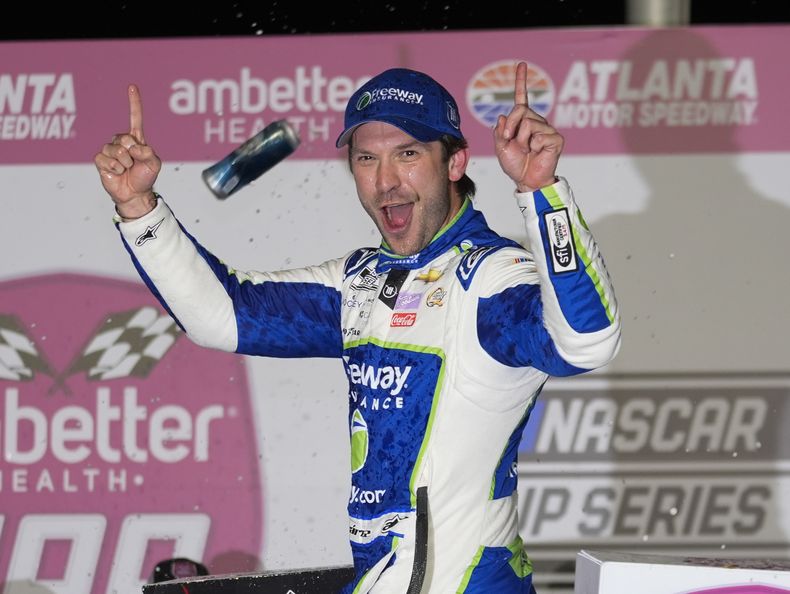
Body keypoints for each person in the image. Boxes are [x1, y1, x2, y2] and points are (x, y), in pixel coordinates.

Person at [94, 62, 621, 594]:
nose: (385, 181)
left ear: (455, 161)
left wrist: (542, 191)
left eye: (408, 154)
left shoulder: (488, 278)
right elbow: (220, 315)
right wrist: (138, 208)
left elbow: (587, 341)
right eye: (366, 158)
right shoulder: (358, 282)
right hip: (385, 577)